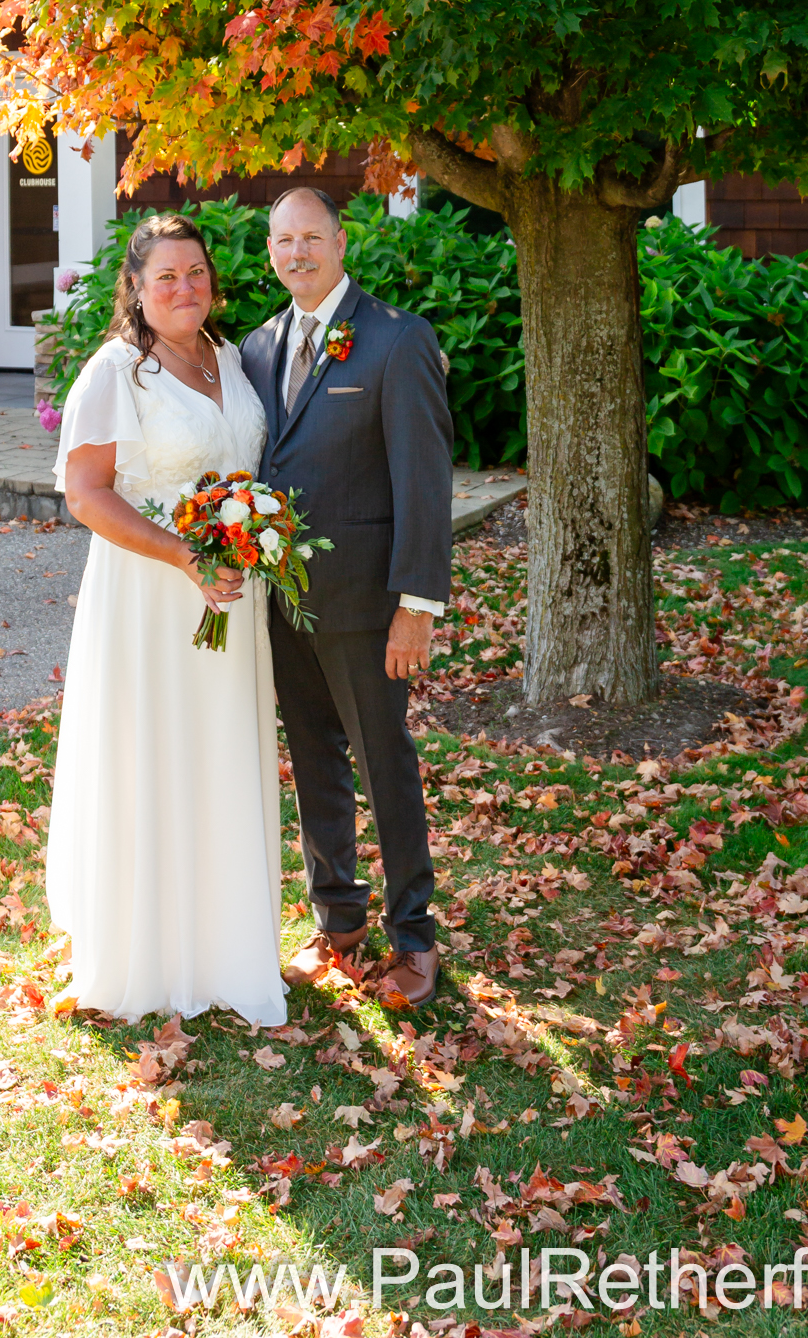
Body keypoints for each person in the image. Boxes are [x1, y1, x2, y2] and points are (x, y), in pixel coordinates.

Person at [47, 213, 285, 1026]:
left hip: (231, 592)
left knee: (220, 750)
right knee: (154, 755)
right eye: (165, 278)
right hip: (150, 595)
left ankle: (225, 946)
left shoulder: (230, 357)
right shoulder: (117, 372)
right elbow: (86, 494)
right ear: (137, 292)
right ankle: (148, 953)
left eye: (195, 273)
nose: (184, 289)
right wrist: (183, 555)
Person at [241, 186, 453, 1007]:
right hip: (282, 601)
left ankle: (413, 937)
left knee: (382, 761)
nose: (297, 254)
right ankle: (336, 920)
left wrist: (416, 605)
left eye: (311, 239)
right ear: (269, 252)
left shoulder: (396, 343)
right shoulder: (258, 348)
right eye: (282, 241)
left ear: (338, 242)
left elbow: (424, 484)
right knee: (314, 763)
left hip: (368, 603)